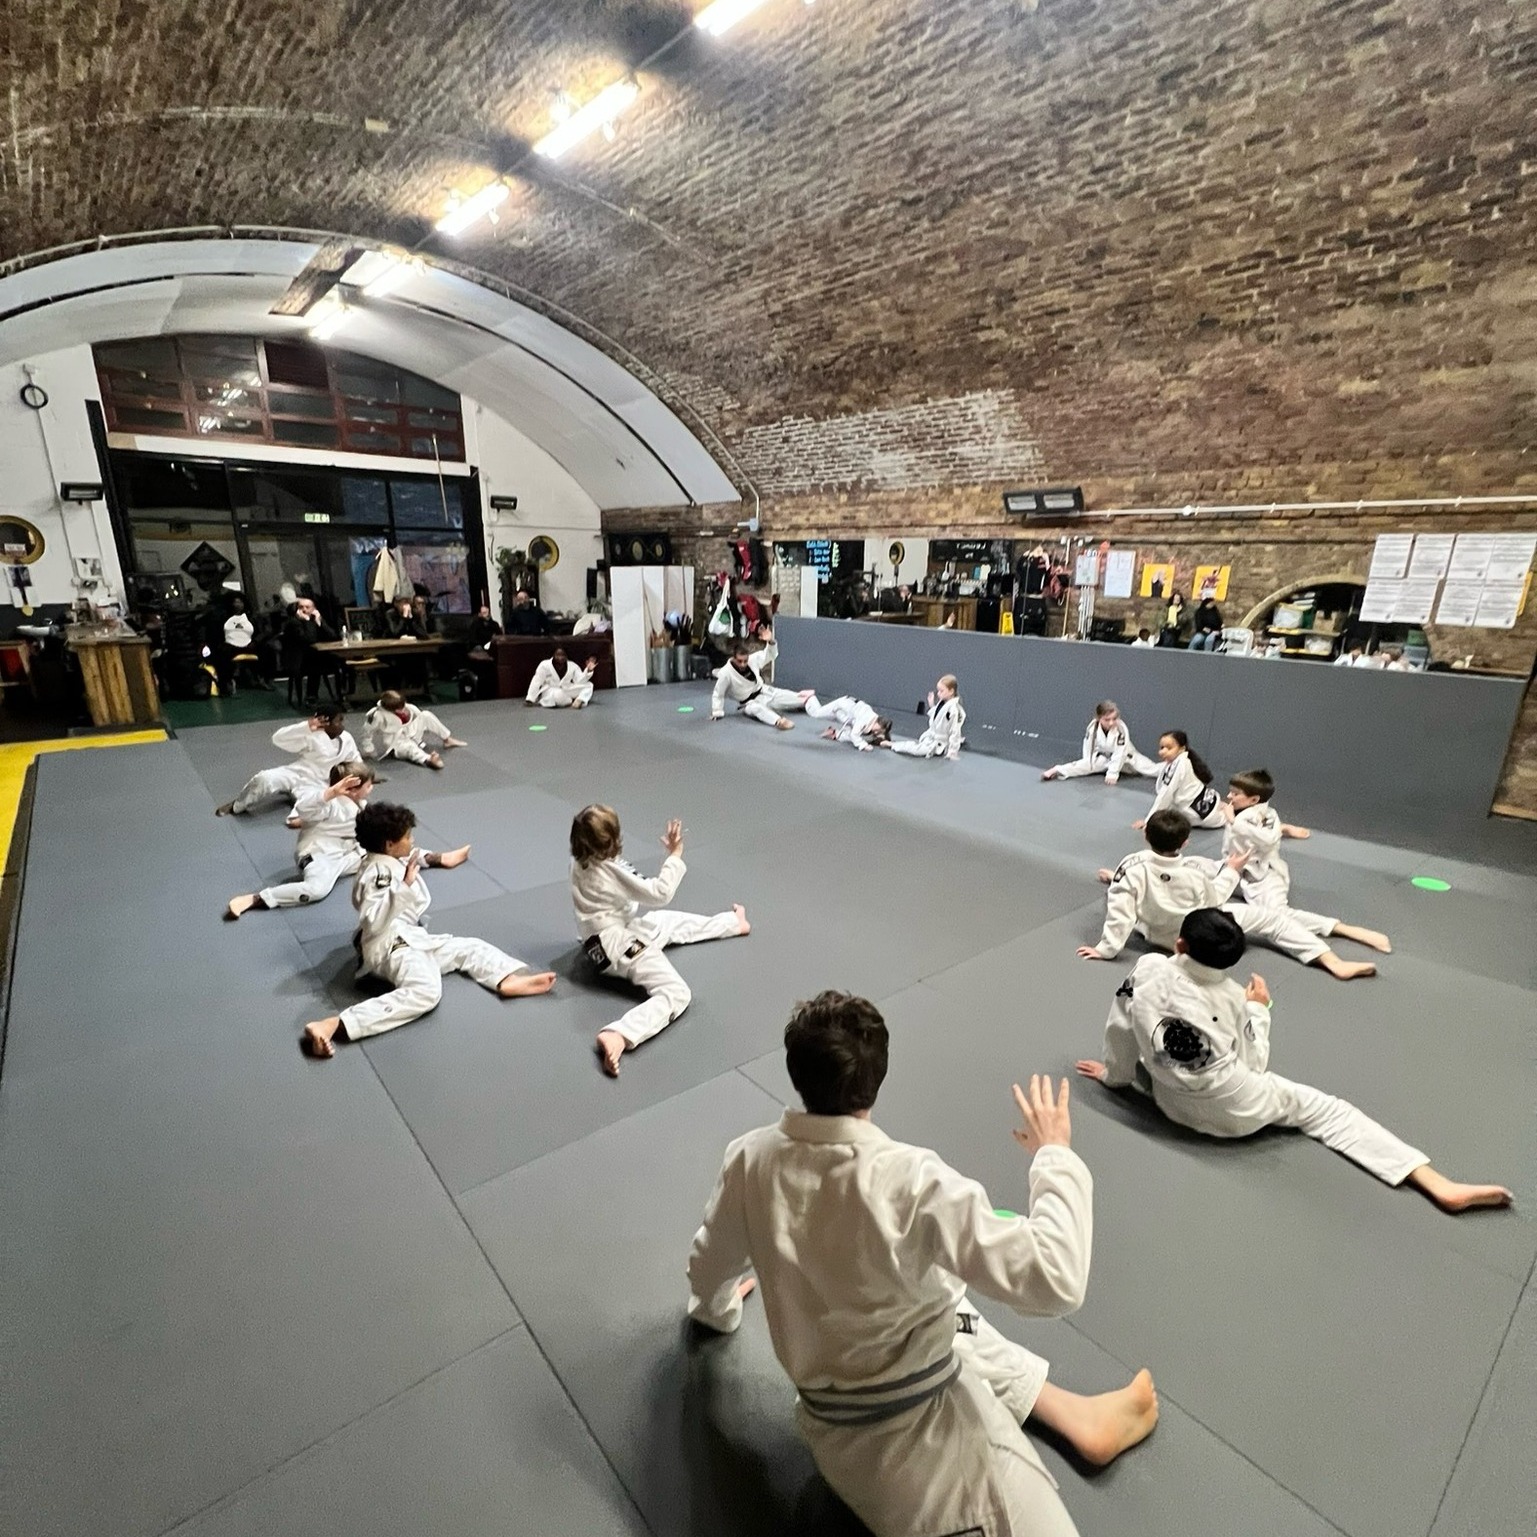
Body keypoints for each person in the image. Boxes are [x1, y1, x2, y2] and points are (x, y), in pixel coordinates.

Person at [687, 992, 1158, 1537]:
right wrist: (1056, 1157)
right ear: (877, 1079)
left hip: (830, 1425)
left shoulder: (750, 1158)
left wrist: (715, 1310)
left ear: (796, 1072)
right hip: (931, 1461)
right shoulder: (911, 1180)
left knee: (944, 1302)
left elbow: (708, 1260)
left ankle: (1070, 1412)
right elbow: (1055, 1280)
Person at [1075, 910, 1512, 1213]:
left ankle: (1437, 1184)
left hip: (1171, 1105)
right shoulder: (1229, 997)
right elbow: (1253, 1066)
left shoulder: (1148, 968)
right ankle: (1439, 1185)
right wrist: (1258, 1011)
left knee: (1158, 1052)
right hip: (1240, 1109)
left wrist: (1114, 1077)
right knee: (1330, 1112)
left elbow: (1120, 1025)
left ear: (1180, 943)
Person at [300, 802, 556, 1059]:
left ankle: (505, 979)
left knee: (470, 947)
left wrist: (432, 862)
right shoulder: (380, 874)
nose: (412, 840)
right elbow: (372, 920)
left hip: (410, 938)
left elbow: (414, 855)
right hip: (391, 944)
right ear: (389, 844)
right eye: (408, 836)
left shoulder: (384, 858)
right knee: (426, 991)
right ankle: (334, 1023)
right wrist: (404, 887)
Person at [1080, 810, 1391, 979]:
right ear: (1186, 842)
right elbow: (1214, 900)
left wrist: (1107, 949)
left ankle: (1336, 939)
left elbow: (1121, 913)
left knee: (1127, 890)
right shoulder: (1192, 876)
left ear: (1146, 836)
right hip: (1196, 933)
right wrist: (1232, 870)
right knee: (1274, 921)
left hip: (1158, 934)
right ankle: (1332, 959)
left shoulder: (1131, 867)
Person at [570, 805, 750, 1077]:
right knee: (677, 993)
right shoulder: (609, 870)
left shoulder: (579, 860)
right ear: (611, 841)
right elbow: (659, 892)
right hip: (618, 946)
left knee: (667, 922)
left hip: (598, 943)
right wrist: (675, 855)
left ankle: (732, 923)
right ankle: (620, 1034)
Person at [223, 762, 375, 920]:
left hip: (346, 855)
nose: (372, 789)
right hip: (319, 856)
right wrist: (330, 793)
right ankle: (258, 898)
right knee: (316, 890)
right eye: (369, 786)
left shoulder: (361, 805)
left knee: (386, 853)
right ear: (353, 789)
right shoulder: (328, 804)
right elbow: (304, 808)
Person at [215, 707, 360, 816]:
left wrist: (366, 777)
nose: (342, 724)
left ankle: (293, 795)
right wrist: (306, 727)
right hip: (296, 773)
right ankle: (237, 805)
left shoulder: (346, 738)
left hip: (319, 784)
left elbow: (355, 760)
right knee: (263, 779)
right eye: (338, 721)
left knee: (325, 810)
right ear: (326, 723)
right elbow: (277, 739)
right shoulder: (310, 734)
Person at [709, 626, 813, 730]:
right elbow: (718, 693)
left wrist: (771, 641)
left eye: (745, 661)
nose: (743, 664)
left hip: (765, 692)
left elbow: (769, 655)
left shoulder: (752, 660)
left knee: (802, 699)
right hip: (749, 703)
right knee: (756, 709)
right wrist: (717, 712)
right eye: (739, 661)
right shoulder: (726, 673)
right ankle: (779, 721)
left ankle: (804, 704)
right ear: (733, 658)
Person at [1041, 700, 1157, 783]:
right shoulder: (1093, 727)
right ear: (1098, 718)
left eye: (1114, 719)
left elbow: (1120, 753)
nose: (1111, 723)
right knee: (1082, 766)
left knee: (1149, 768)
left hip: (1126, 758)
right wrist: (1088, 762)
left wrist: (1112, 774)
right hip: (1104, 758)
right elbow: (1088, 745)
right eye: (1107, 720)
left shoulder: (1121, 729)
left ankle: (1170, 769)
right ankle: (1056, 770)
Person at [1135, 730, 1224, 829]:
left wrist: (1149, 822)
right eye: (1161, 748)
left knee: (1228, 818)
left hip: (1202, 814)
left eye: (1169, 748)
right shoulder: (1181, 761)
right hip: (1210, 801)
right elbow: (1155, 769)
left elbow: (1165, 795)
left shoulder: (1179, 765)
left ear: (1182, 749)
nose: (1163, 751)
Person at [361, 689, 466, 769]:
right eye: (400, 709)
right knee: (410, 747)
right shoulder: (376, 715)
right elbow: (367, 733)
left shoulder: (406, 707)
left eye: (403, 706)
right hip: (396, 744)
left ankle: (447, 739)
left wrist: (419, 725)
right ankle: (429, 760)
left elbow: (418, 716)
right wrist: (369, 749)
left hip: (411, 734)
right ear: (390, 708)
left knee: (426, 715)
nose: (403, 709)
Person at [885, 673, 966, 760]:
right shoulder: (943, 703)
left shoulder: (954, 710)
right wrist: (932, 705)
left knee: (916, 750)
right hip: (931, 738)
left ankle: (893, 745)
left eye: (941, 691)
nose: (938, 694)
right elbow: (937, 719)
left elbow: (955, 732)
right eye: (938, 691)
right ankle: (895, 744)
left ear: (951, 691)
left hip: (940, 744)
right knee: (918, 745)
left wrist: (952, 753)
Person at [281, 597, 336, 706]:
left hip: (313, 656)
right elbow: (309, 639)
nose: (304, 610)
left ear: (314, 609)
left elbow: (333, 635)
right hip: (297, 659)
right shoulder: (294, 622)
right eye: (301, 607)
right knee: (315, 663)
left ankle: (339, 695)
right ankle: (311, 696)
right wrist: (306, 621)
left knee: (334, 662)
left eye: (307, 607)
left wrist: (320, 622)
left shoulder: (315, 618)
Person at [803, 693, 892, 751]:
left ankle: (834, 733)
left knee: (851, 734)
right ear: (877, 723)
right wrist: (863, 745)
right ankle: (811, 697)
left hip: (845, 713)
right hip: (841, 706)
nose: (876, 732)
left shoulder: (872, 718)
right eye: (878, 730)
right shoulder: (865, 719)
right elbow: (854, 734)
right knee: (816, 713)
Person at [526, 648, 597, 709]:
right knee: (559, 695)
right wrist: (530, 698)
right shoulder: (544, 665)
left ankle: (580, 700)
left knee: (589, 685)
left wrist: (588, 670)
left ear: (566, 656)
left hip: (567, 688)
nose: (560, 658)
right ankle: (570, 701)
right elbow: (537, 681)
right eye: (558, 655)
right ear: (553, 655)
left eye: (563, 655)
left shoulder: (573, 665)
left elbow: (579, 681)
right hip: (551, 690)